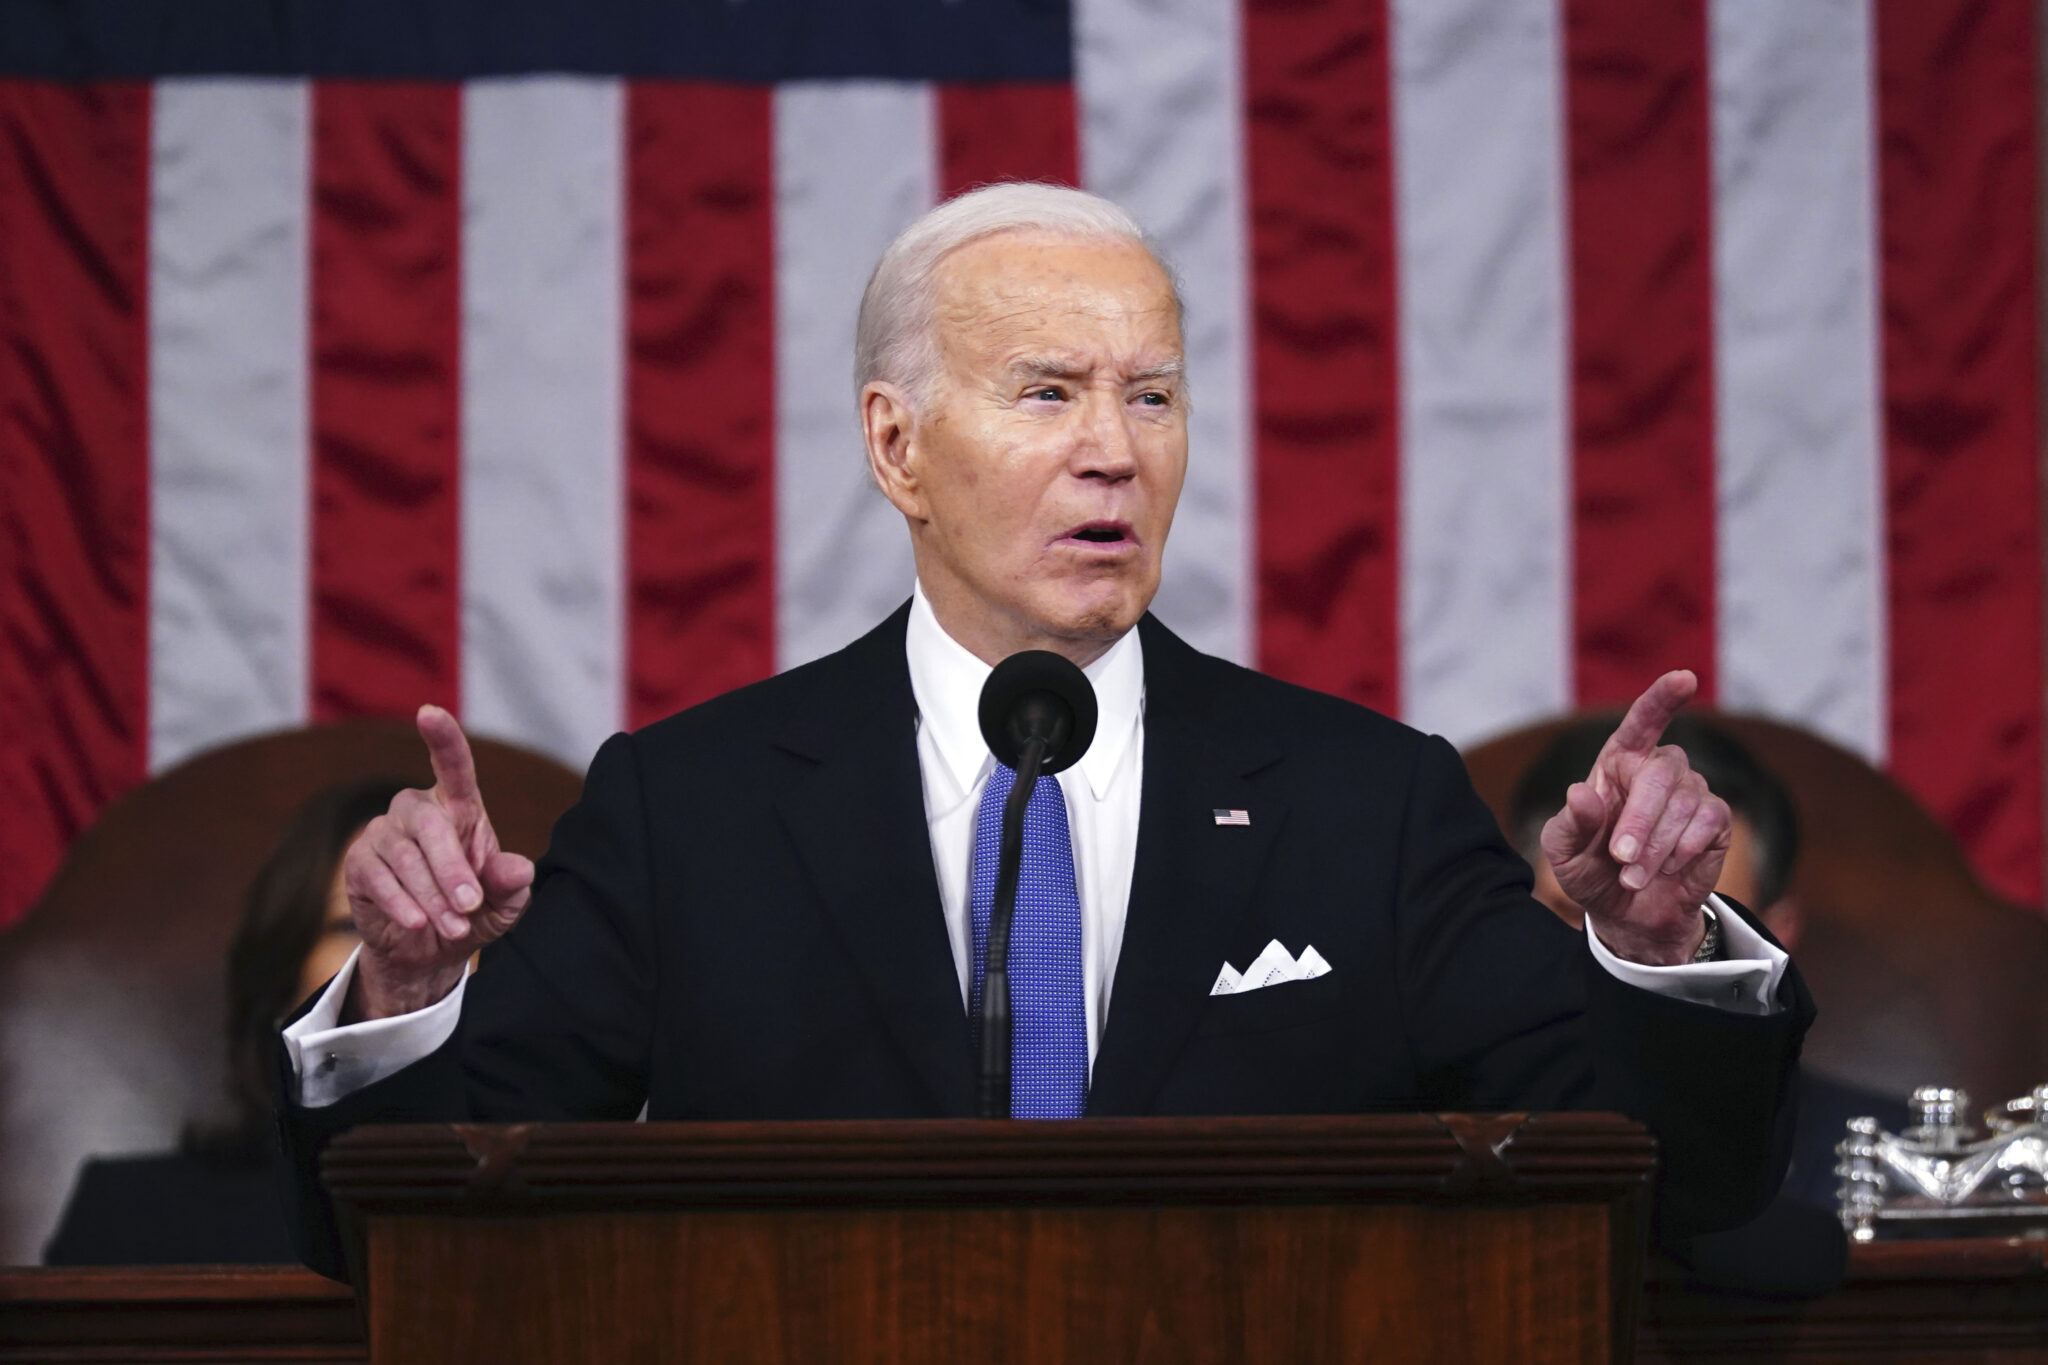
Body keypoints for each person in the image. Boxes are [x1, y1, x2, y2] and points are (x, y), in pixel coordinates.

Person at [276, 183, 1811, 1281]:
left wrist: (1654, 956)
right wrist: (409, 991)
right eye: (1048, 392)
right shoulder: (694, 807)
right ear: (898, 446)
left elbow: (1676, 1198)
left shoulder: (1365, 800)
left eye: (1152, 396)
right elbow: (401, 1243)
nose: (1112, 453)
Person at [1509, 716, 1907, 1295]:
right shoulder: (1434, 1134)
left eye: (1681, 921)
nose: (1621, 953)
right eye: (1580, 914)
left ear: (1773, 939)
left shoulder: (1899, 1169)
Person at [44, 777, 403, 1265]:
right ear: (283, 981)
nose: (405, 951)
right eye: (351, 925)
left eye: (439, 916)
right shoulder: (130, 1221)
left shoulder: (537, 1219)